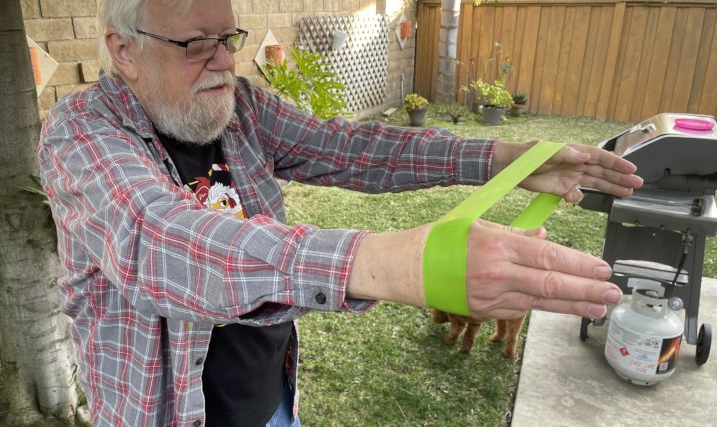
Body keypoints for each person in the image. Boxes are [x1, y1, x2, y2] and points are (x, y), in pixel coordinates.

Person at [37, 0, 643, 426]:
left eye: (229, 40)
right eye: (197, 44)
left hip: (270, 401)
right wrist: (395, 263)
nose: (224, 61)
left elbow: (355, 148)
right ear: (125, 51)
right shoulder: (80, 133)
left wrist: (507, 159)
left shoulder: (239, 106)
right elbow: (160, 243)